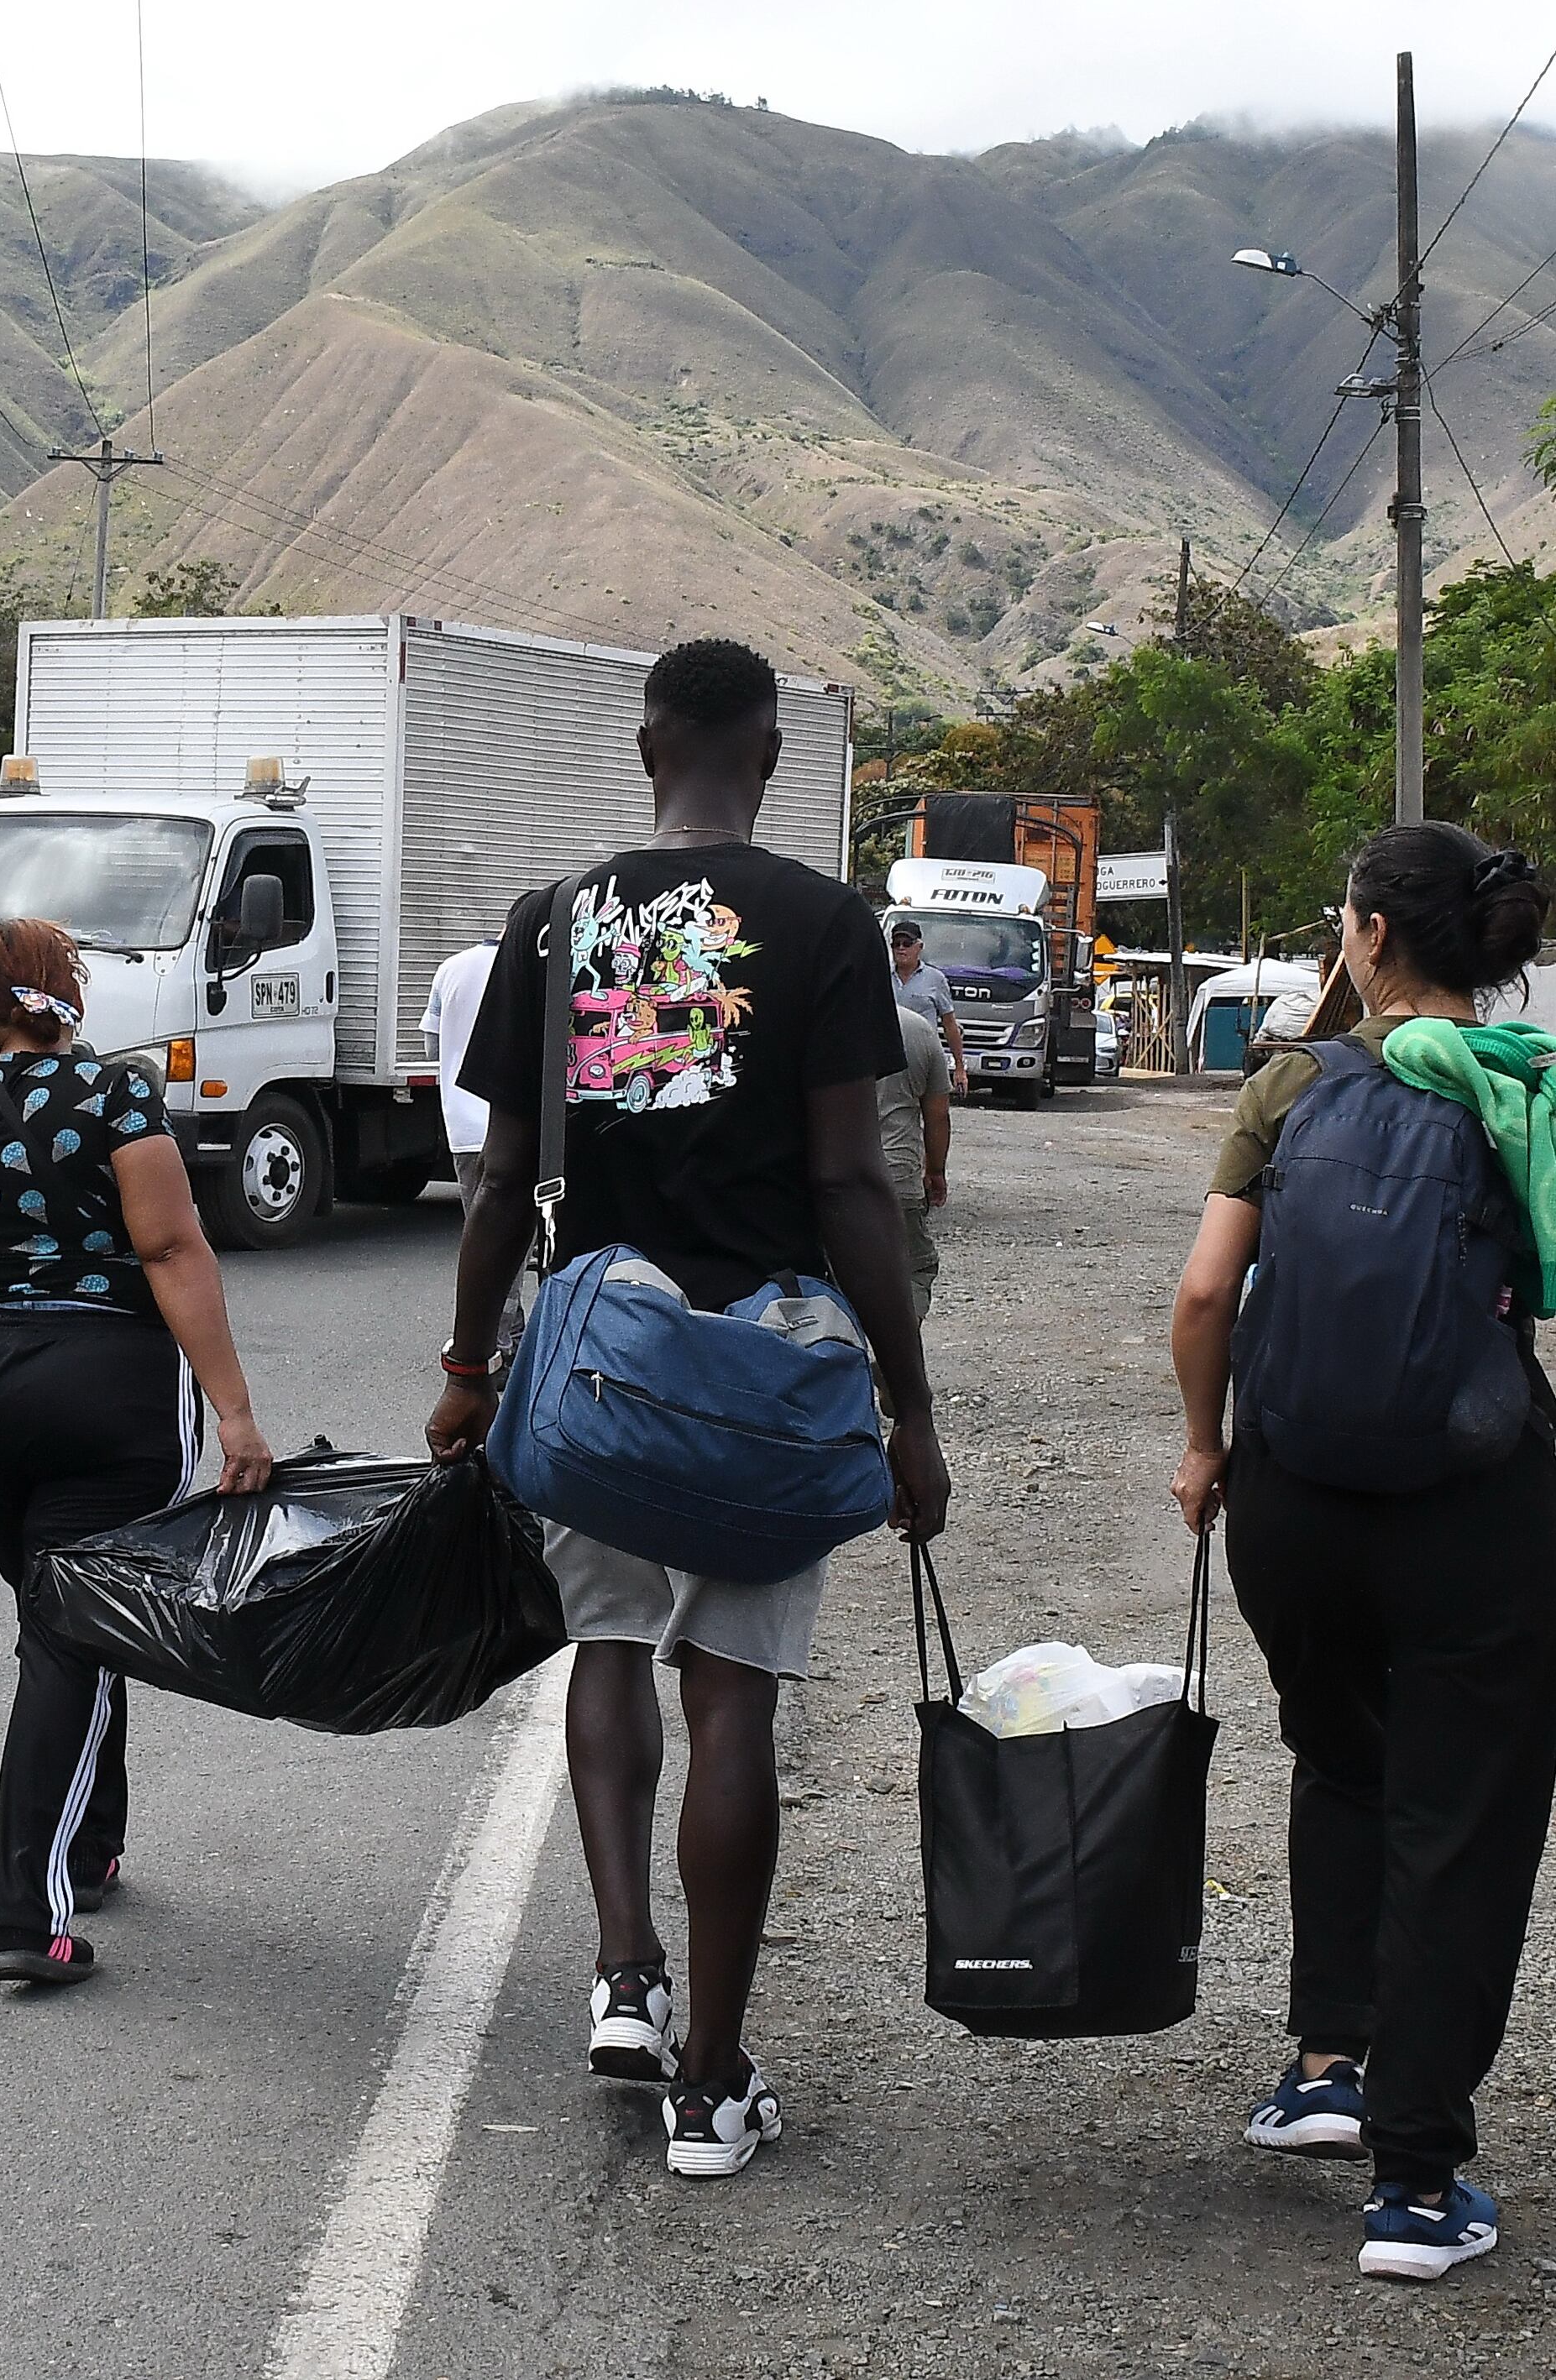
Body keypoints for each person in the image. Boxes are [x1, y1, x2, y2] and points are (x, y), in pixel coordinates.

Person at [432, 636, 950, 2179]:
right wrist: (906, 1406)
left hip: (597, 1364)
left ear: (645, 741)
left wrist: (469, 1370)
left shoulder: (552, 919)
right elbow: (855, 1176)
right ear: (771, 755)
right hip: (765, 1377)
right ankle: (712, 2086)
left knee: (606, 1646)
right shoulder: (826, 921)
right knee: (733, 1689)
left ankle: (624, 1974)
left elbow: (494, 1182)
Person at [1166, 820, 1556, 2284]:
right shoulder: (1545, 1095)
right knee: (1461, 1811)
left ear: (1372, 937)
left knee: (1344, 1759)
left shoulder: (1294, 1081)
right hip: (1474, 1508)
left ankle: (1325, 2063)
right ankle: (1415, 2176)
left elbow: (1209, 1290)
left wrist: (1208, 1444)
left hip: (1294, 1500)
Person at [0, 915, 275, 1989]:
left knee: (59, 1609)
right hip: (103, 1380)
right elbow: (168, 1246)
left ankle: (92, 1839)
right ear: (65, 991)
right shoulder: (117, 1096)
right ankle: (31, 1913)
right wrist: (235, 1412)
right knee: (67, 1633)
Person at [877, 997, 953, 1320]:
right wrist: (935, 1170)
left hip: (831, 1177)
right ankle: (896, 1352)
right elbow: (937, 1115)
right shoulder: (919, 1030)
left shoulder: (824, 1021)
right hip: (898, 1177)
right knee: (914, 1270)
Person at [424, 933, 500, 1195]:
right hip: (514, 1125)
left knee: (476, 1221)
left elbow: (432, 1048)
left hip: (463, 1123)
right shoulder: (527, 968)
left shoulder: (449, 968)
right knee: (521, 1226)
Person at [888, 918, 968, 1094]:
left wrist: (959, 1068)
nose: (901, 948)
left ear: (919, 946)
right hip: (888, 1059)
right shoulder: (881, 976)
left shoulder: (935, 979)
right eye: (896, 944)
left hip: (923, 1057)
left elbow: (950, 1025)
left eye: (907, 943)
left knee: (934, 1111)